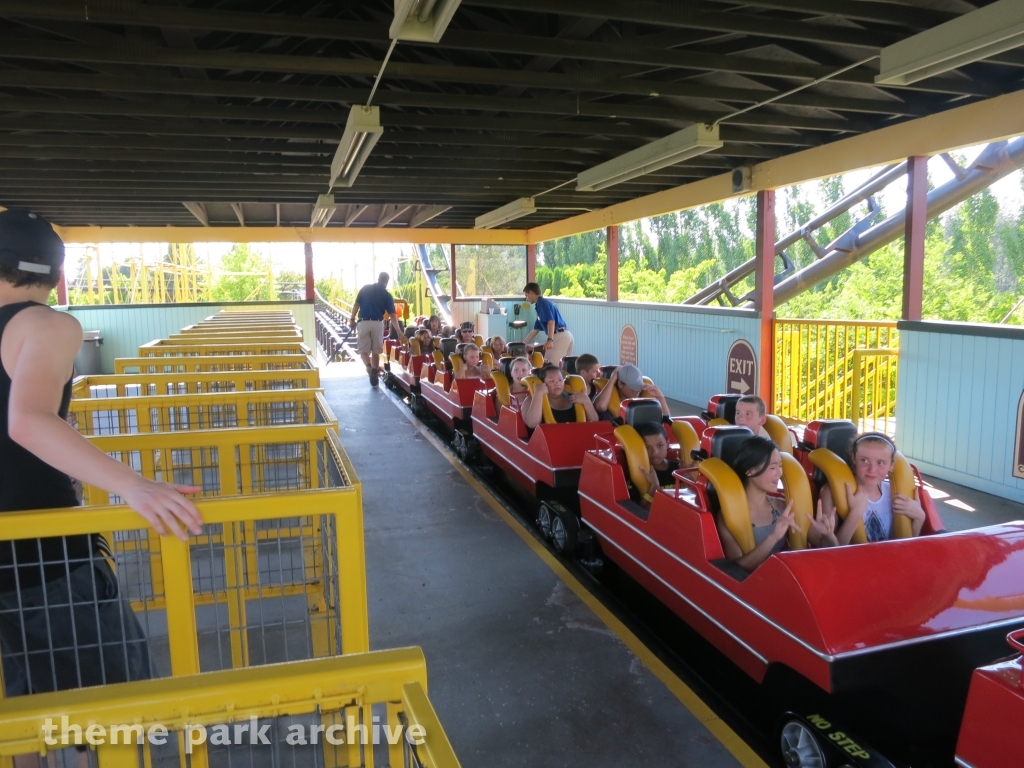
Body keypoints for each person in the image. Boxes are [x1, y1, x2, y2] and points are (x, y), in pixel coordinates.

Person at [0, 210, 203, 699]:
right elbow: (27, 420)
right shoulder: (46, 325)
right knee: (121, 694)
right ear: (55, 274)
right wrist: (133, 484)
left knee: (21, 700)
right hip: (42, 555)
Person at [717, 437, 837, 572]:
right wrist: (774, 537)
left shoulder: (782, 506)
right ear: (749, 471)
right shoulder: (729, 515)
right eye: (773, 467)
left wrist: (828, 535)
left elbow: (824, 545)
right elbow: (738, 568)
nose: (779, 473)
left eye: (780, 466)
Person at [820, 433, 925, 545]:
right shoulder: (832, 491)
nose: (872, 469)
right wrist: (855, 513)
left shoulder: (897, 492)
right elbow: (831, 548)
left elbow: (908, 546)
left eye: (880, 463)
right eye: (864, 460)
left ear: (891, 466)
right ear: (854, 458)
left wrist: (920, 518)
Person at [349, 272, 402, 387]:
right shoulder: (387, 295)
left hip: (363, 322)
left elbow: (356, 305)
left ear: (378, 279)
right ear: (386, 282)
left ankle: (369, 368)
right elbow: (393, 315)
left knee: (363, 350)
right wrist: (398, 331)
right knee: (376, 351)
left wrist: (352, 319)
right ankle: (374, 369)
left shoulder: (365, 289)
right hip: (378, 323)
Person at [522, 364, 597, 429]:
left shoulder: (575, 396)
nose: (557, 384)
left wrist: (587, 401)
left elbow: (595, 422)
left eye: (560, 380)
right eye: (552, 381)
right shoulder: (531, 400)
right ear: (543, 383)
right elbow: (532, 424)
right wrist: (538, 393)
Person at [593, 364, 670, 423]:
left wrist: (660, 398)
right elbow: (601, 406)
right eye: (632, 387)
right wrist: (612, 380)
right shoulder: (605, 398)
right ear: (620, 384)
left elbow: (666, 421)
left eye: (639, 386)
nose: (636, 390)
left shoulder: (644, 398)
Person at [522, 282, 573, 364]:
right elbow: (535, 329)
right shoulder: (540, 306)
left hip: (559, 336)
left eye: (526, 295)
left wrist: (550, 340)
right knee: (563, 366)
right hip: (566, 335)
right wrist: (522, 344)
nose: (526, 299)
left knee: (549, 366)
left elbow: (551, 321)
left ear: (531, 293)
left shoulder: (542, 303)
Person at [633, 422, 680, 509]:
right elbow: (637, 513)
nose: (655, 452)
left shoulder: (679, 468)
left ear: (667, 444)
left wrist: (691, 479)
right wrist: (654, 487)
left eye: (660, 445)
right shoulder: (637, 473)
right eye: (647, 447)